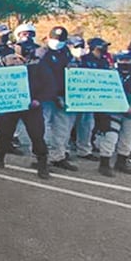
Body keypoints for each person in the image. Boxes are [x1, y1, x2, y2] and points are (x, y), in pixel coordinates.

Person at [0, 40, 53, 179]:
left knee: (37, 135)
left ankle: (42, 165)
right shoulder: (7, 60)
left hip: (32, 106)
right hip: (12, 105)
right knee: (4, 133)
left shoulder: (38, 63)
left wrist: (38, 100)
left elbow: (48, 84)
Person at [95, 52, 131, 177]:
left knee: (128, 138)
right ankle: (104, 164)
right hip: (112, 111)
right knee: (110, 137)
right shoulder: (110, 75)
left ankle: (121, 162)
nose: (125, 63)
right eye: (122, 60)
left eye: (127, 60)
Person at [36, 26, 80, 172]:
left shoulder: (65, 52)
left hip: (64, 95)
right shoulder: (42, 53)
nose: (57, 42)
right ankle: (41, 157)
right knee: (43, 128)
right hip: (46, 97)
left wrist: (73, 66)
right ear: (48, 38)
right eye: (55, 39)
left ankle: (58, 156)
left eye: (60, 40)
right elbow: (43, 78)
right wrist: (55, 96)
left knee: (62, 128)